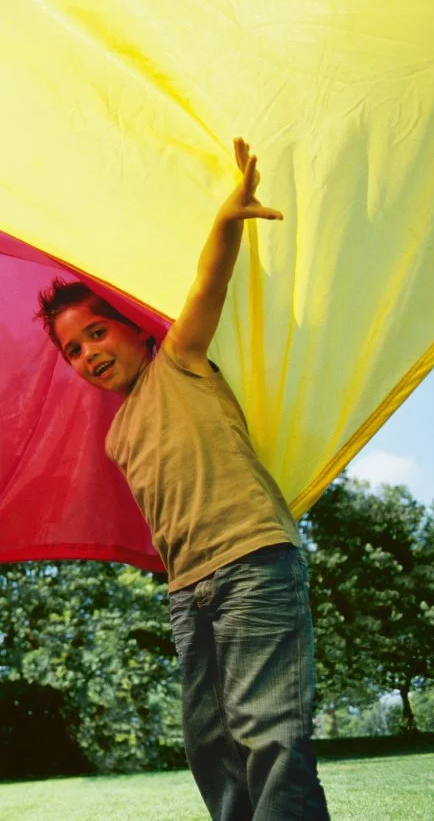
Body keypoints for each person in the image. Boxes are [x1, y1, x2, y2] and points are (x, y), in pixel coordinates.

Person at [38, 139, 328, 820]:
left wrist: (226, 222)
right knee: (210, 743)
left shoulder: (181, 358)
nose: (88, 355)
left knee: (270, 732)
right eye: (73, 350)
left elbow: (207, 284)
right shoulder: (115, 434)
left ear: (134, 327)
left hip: (253, 561)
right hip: (187, 592)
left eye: (98, 333)